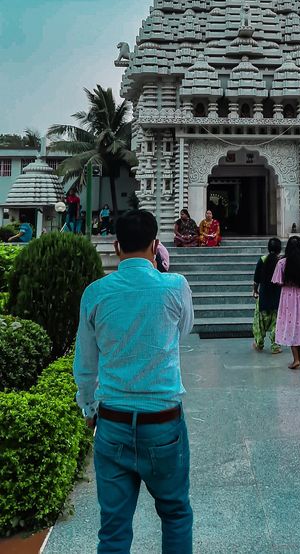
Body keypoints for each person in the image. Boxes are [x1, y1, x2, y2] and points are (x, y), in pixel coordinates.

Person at [73, 209, 194, 554]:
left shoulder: (95, 293)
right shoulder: (175, 286)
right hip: (163, 424)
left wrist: (88, 408)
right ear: (156, 246)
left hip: (112, 421)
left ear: (115, 246)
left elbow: (85, 363)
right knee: (175, 514)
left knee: (113, 529)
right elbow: (183, 330)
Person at [271, 236, 300, 369]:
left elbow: (277, 280)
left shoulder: (282, 263)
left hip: (288, 296)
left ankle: (296, 359)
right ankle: (298, 357)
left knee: (290, 325)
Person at [252, 237, 282, 354]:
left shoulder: (262, 260)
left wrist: (255, 291)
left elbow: (256, 279)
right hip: (278, 295)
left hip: (264, 294)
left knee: (260, 322)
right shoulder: (281, 261)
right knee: (277, 321)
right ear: (279, 249)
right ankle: (276, 346)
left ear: (268, 248)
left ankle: (259, 343)